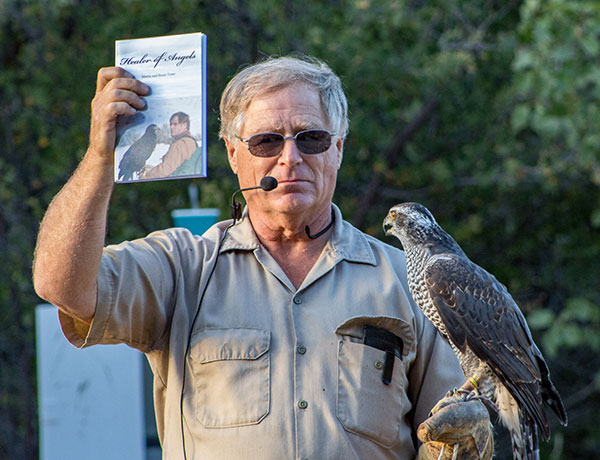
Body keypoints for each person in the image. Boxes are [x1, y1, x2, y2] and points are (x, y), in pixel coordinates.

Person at [33, 56, 492, 460]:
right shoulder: (182, 267)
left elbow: (451, 432)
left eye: (310, 138)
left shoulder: (411, 281)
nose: (289, 158)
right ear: (234, 154)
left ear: (338, 149)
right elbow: (61, 285)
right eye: (267, 142)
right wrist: (99, 156)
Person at [140, 111, 201, 179]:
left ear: (184, 125)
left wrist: (147, 175)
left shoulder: (179, 144)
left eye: (175, 124)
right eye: (170, 124)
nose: (171, 127)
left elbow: (165, 169)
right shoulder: (190, 141)